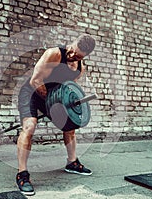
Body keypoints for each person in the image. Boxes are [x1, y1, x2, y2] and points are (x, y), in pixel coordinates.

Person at [16, 34, 96, 196]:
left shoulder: (80, 69)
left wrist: (63, 107)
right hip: (32, 93)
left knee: (70, 126)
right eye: (72, 51)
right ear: (72, 43)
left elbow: (68, 89)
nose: (72, 56)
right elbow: (35, 81)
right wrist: (54, 104)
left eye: (78, 56)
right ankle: (22, 174)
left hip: (55, 99)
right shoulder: (54, 54)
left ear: (85, 57)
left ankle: (72, 162)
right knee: (30, 126)